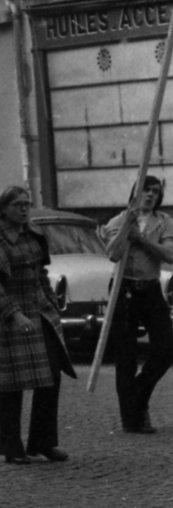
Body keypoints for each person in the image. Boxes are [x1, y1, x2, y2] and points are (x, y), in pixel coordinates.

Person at [0, 186, 74, 464]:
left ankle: (43, 441)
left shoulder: (33, 234)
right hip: (9, 318)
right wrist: (14, 315)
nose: (23, 209)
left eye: (27, 204)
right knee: (11, 386)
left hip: (39, 311)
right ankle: (11, 447)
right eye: (18, 204)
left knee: (51, 376)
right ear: (3, 208)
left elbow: (41, 271)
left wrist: (50, 300)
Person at [103, 176, 173, 434]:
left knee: (166, 348)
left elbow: (170, 255)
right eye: (146, 190)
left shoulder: (164, 222)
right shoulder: (117, 221)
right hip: (124, 289)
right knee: (126, 356)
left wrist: (142, 239)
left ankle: (138, 397)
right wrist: (126, 229)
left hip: (151, 289)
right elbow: (113, 253)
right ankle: (131, 419)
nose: (151, 195)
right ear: (135, 192)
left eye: (156, 191)